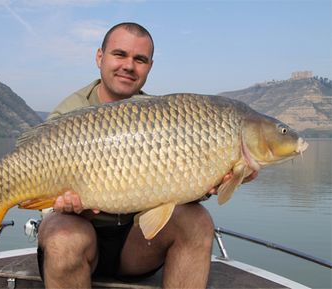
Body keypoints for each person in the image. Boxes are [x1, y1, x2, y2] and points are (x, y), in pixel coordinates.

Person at [37, 22, 256, 289]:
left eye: (140, 59)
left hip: (137, 242)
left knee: (197, 220)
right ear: (99, 57)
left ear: (149, 66)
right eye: (120, 54)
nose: (129, 66)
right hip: (81, 235)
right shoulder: (68, 114)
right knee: (62, 238)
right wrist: (60, 205)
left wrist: (207, 185)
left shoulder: (162, 116)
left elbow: (176, 187)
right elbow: (44, 201)